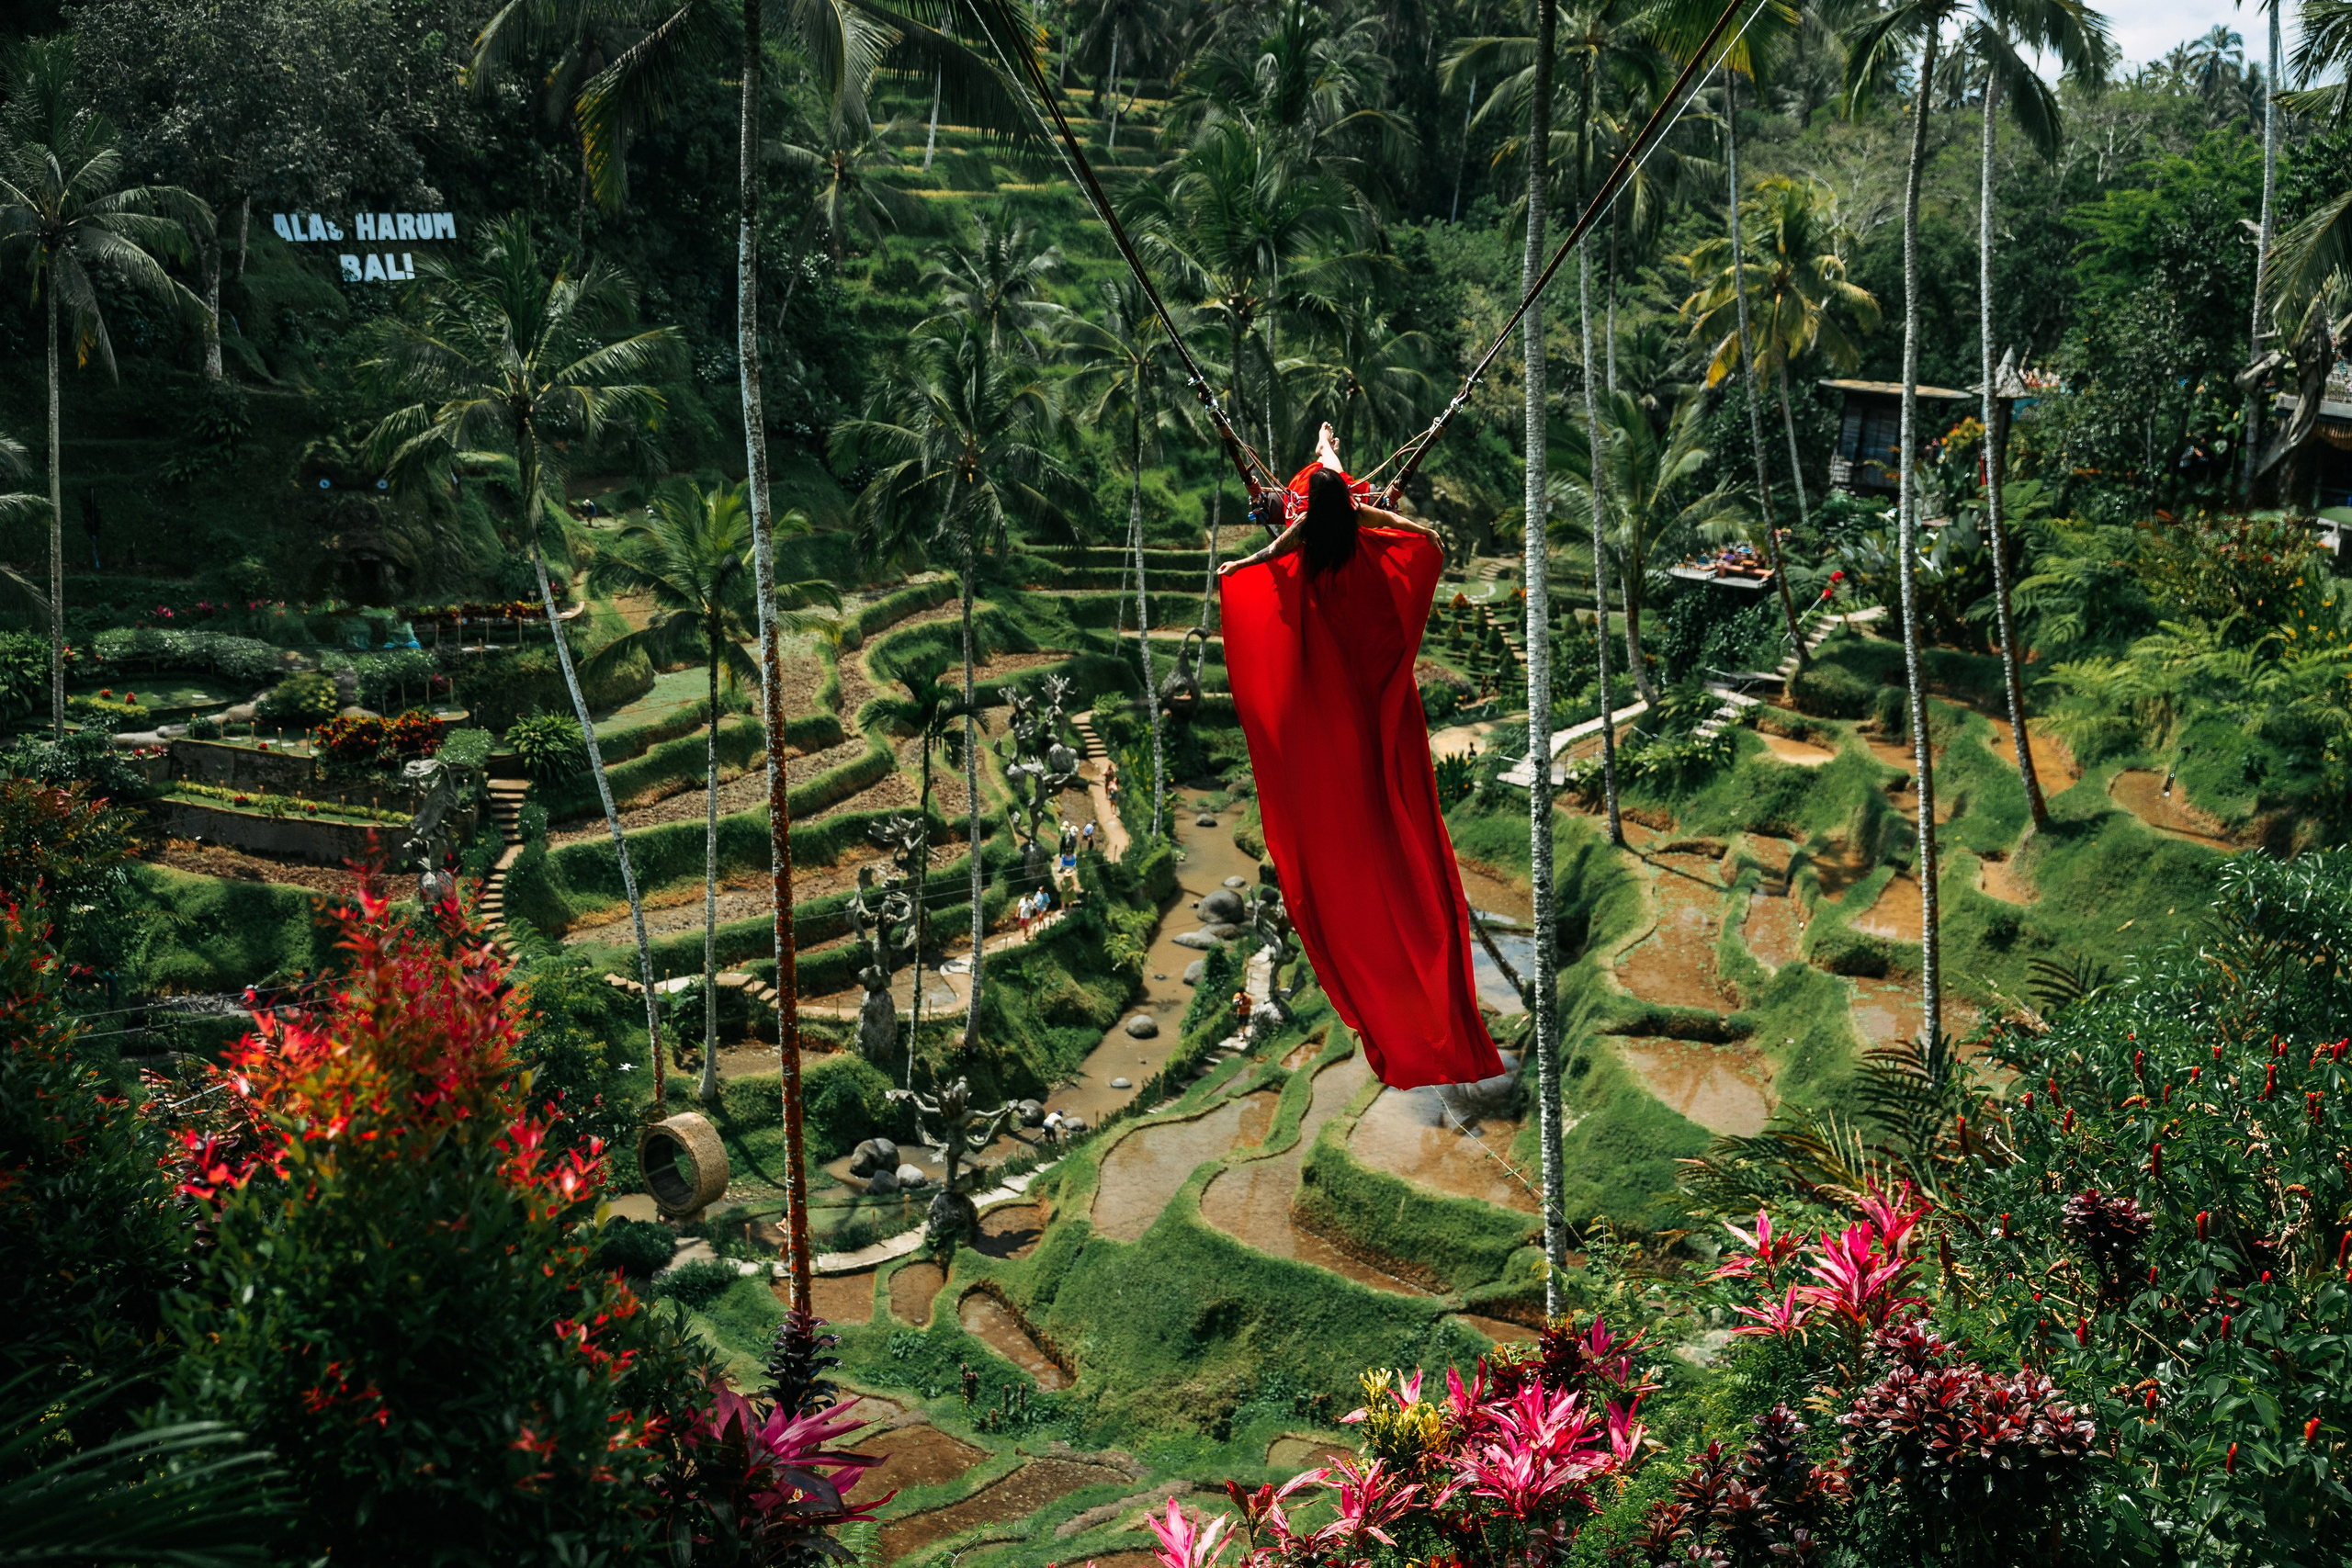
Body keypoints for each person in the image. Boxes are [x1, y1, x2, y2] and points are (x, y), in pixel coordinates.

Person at [1216, 423, 1504, 1091]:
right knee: (1371, 740)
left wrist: (1243, 566)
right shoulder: (1343, 511)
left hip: (1335, 634)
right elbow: (1359, 509)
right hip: (1353, 631)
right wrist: (1420, 531)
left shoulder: (1318, 518)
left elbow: (1290, 538)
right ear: (1336, 495)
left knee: (1355, 744)